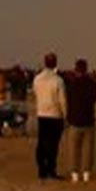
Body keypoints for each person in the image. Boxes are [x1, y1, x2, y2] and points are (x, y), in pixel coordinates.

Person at [32, 53, 67, 181]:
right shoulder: (58, 80)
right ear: (55, 63)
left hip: (42, 113)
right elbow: (62, 100)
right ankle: (51, 170)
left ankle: (42, 170)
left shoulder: (37, 79)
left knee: (41, 143)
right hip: (55, 115)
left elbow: (35, 93)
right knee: (53, 145)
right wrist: (65, 115)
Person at [65, 59, 96, 184]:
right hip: (89, 119)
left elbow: (68, 100)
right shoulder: (92, 84)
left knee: (73, 148)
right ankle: (86, 173)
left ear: (76, 69)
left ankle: (74, 173)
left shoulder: (71, 84)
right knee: (88, 149)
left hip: (74, 120)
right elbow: (94, 99)